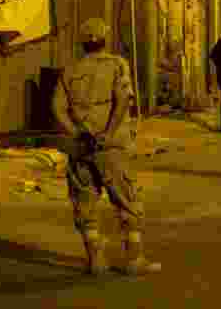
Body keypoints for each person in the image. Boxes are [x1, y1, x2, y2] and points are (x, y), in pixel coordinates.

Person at [52, 18, 161, 276]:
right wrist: (108, 133)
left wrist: (75, 131)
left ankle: (96, 260)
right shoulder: (117, 65)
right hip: (110, 147)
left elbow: (56, 108)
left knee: (85, 202)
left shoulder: (70, 70)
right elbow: (123, 100)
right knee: (127, 200)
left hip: (80, 147)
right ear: (104, 40)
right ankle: (134, 260)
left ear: (83, 44)